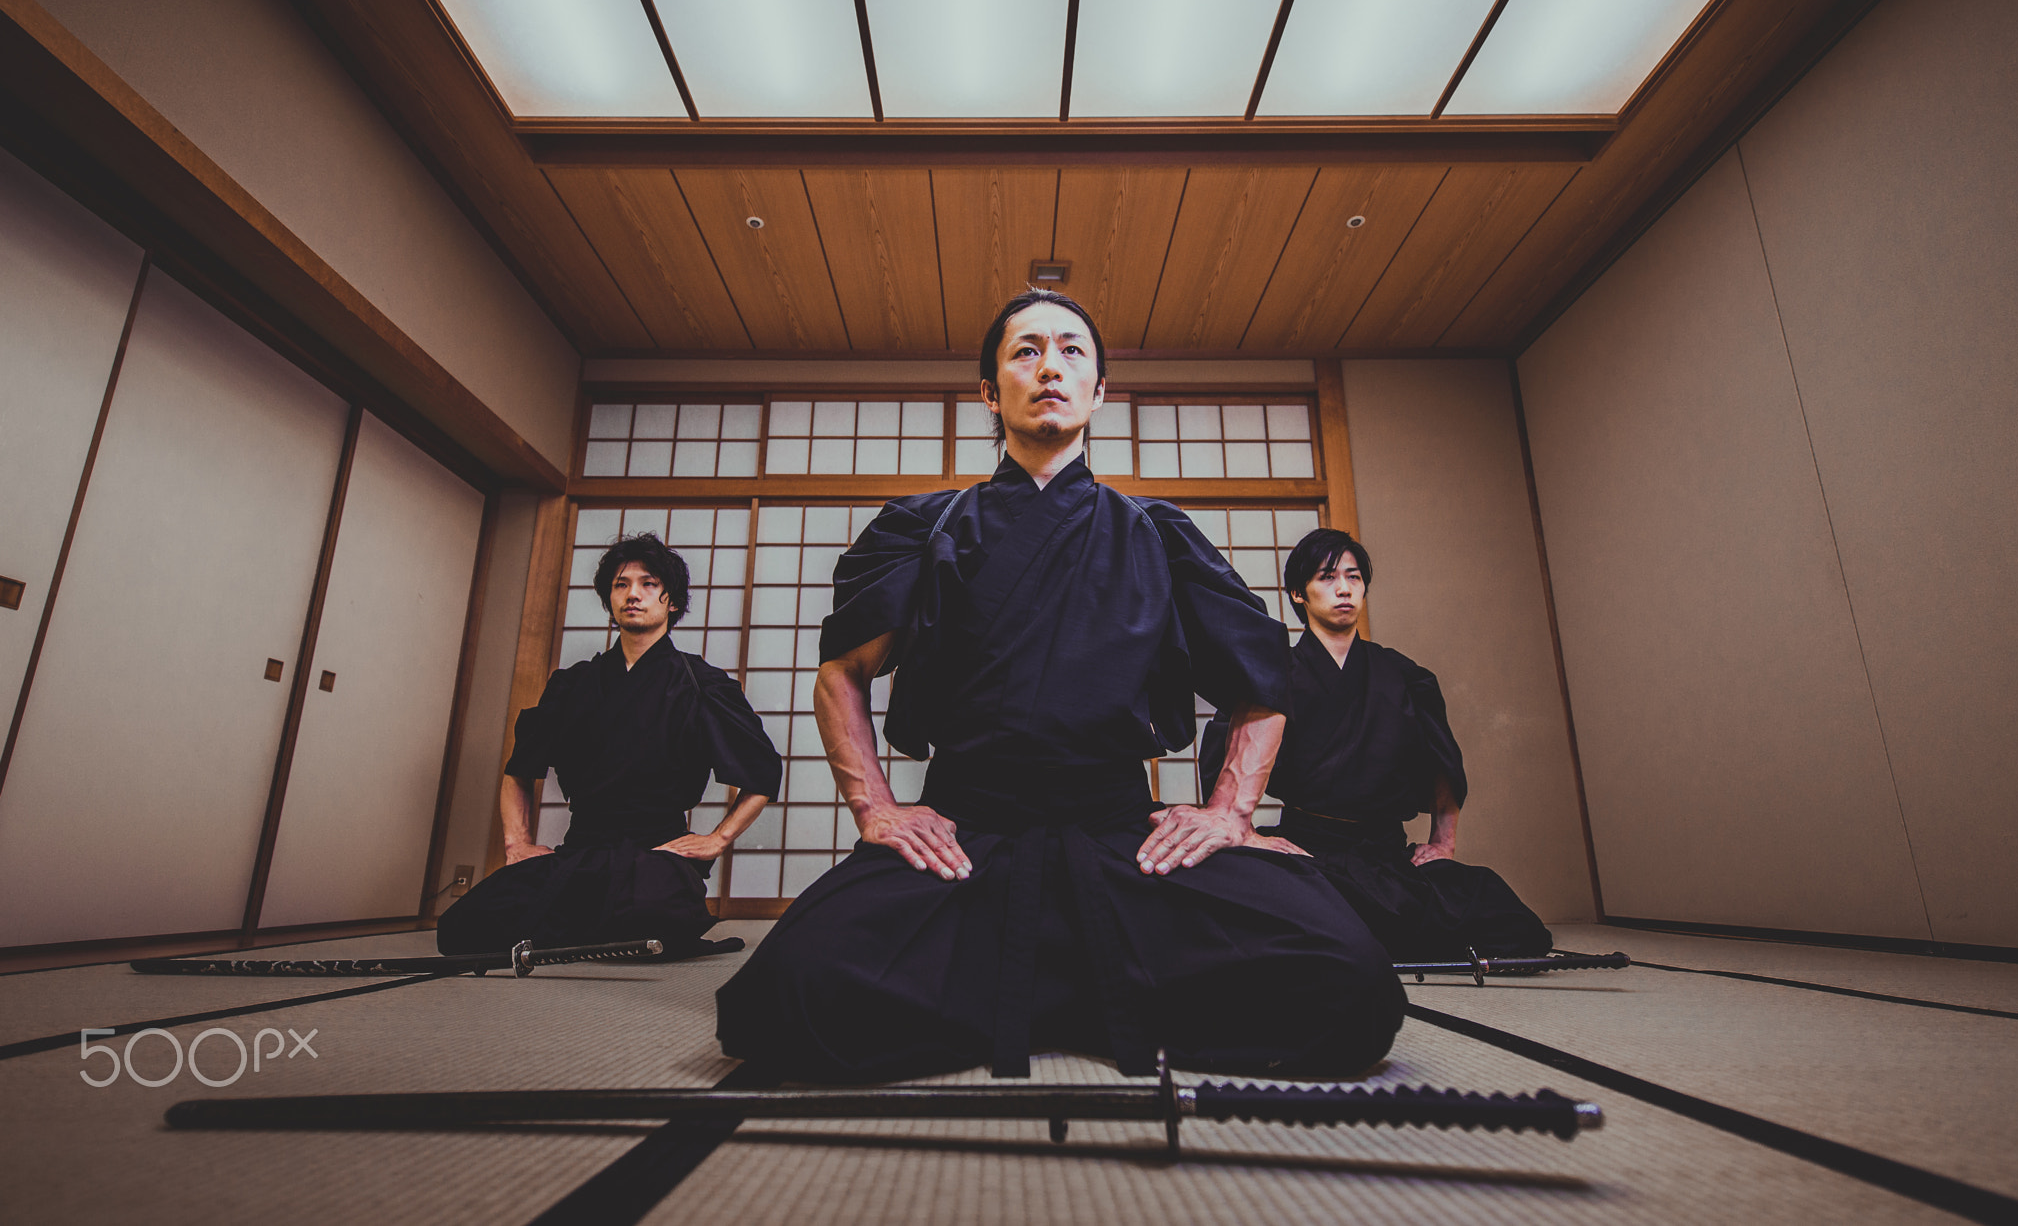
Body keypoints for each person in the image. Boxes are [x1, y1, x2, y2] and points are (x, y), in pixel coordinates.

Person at [716, 289, 1405, 1083]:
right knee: (786, 996)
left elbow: (1262, 681)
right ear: (988, 390)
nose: (1050, 366)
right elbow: (843, 672)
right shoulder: (921, 526)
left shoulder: (1157, 531)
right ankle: (1105, 998)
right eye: (1026, 350)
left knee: (1352, 981)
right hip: (963, 835)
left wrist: (1227, 814)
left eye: (1073, 351)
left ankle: (1019, 993)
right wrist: (877, 808)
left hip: (1124, 835)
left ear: (1100, 391)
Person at [1198, 530, 1552, 961]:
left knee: (1502, 914)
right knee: (1233, 882)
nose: (1344, 589)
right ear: (1298, 593)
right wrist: (1246, 831)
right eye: (1327, 577)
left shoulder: (1403, 675)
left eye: (1353, 577)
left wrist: (1442, 843)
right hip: (1307, 851)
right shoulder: (1274, 673)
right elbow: (1226, 754)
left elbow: (1442, 761)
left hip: (1386, 858)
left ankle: (1352, 934)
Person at [437, 533, 782, 959]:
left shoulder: (702, 684)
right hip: (581, 850)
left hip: (658, 854)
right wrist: (517, 844)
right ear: (609, 599)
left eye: (648, 583)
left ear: (671, 601)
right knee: (462, 928)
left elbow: (762, 772)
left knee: (656, 915)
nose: (632, 594)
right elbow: (520, 770)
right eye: (621, 584)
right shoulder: (573, 684)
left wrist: (717, 839)